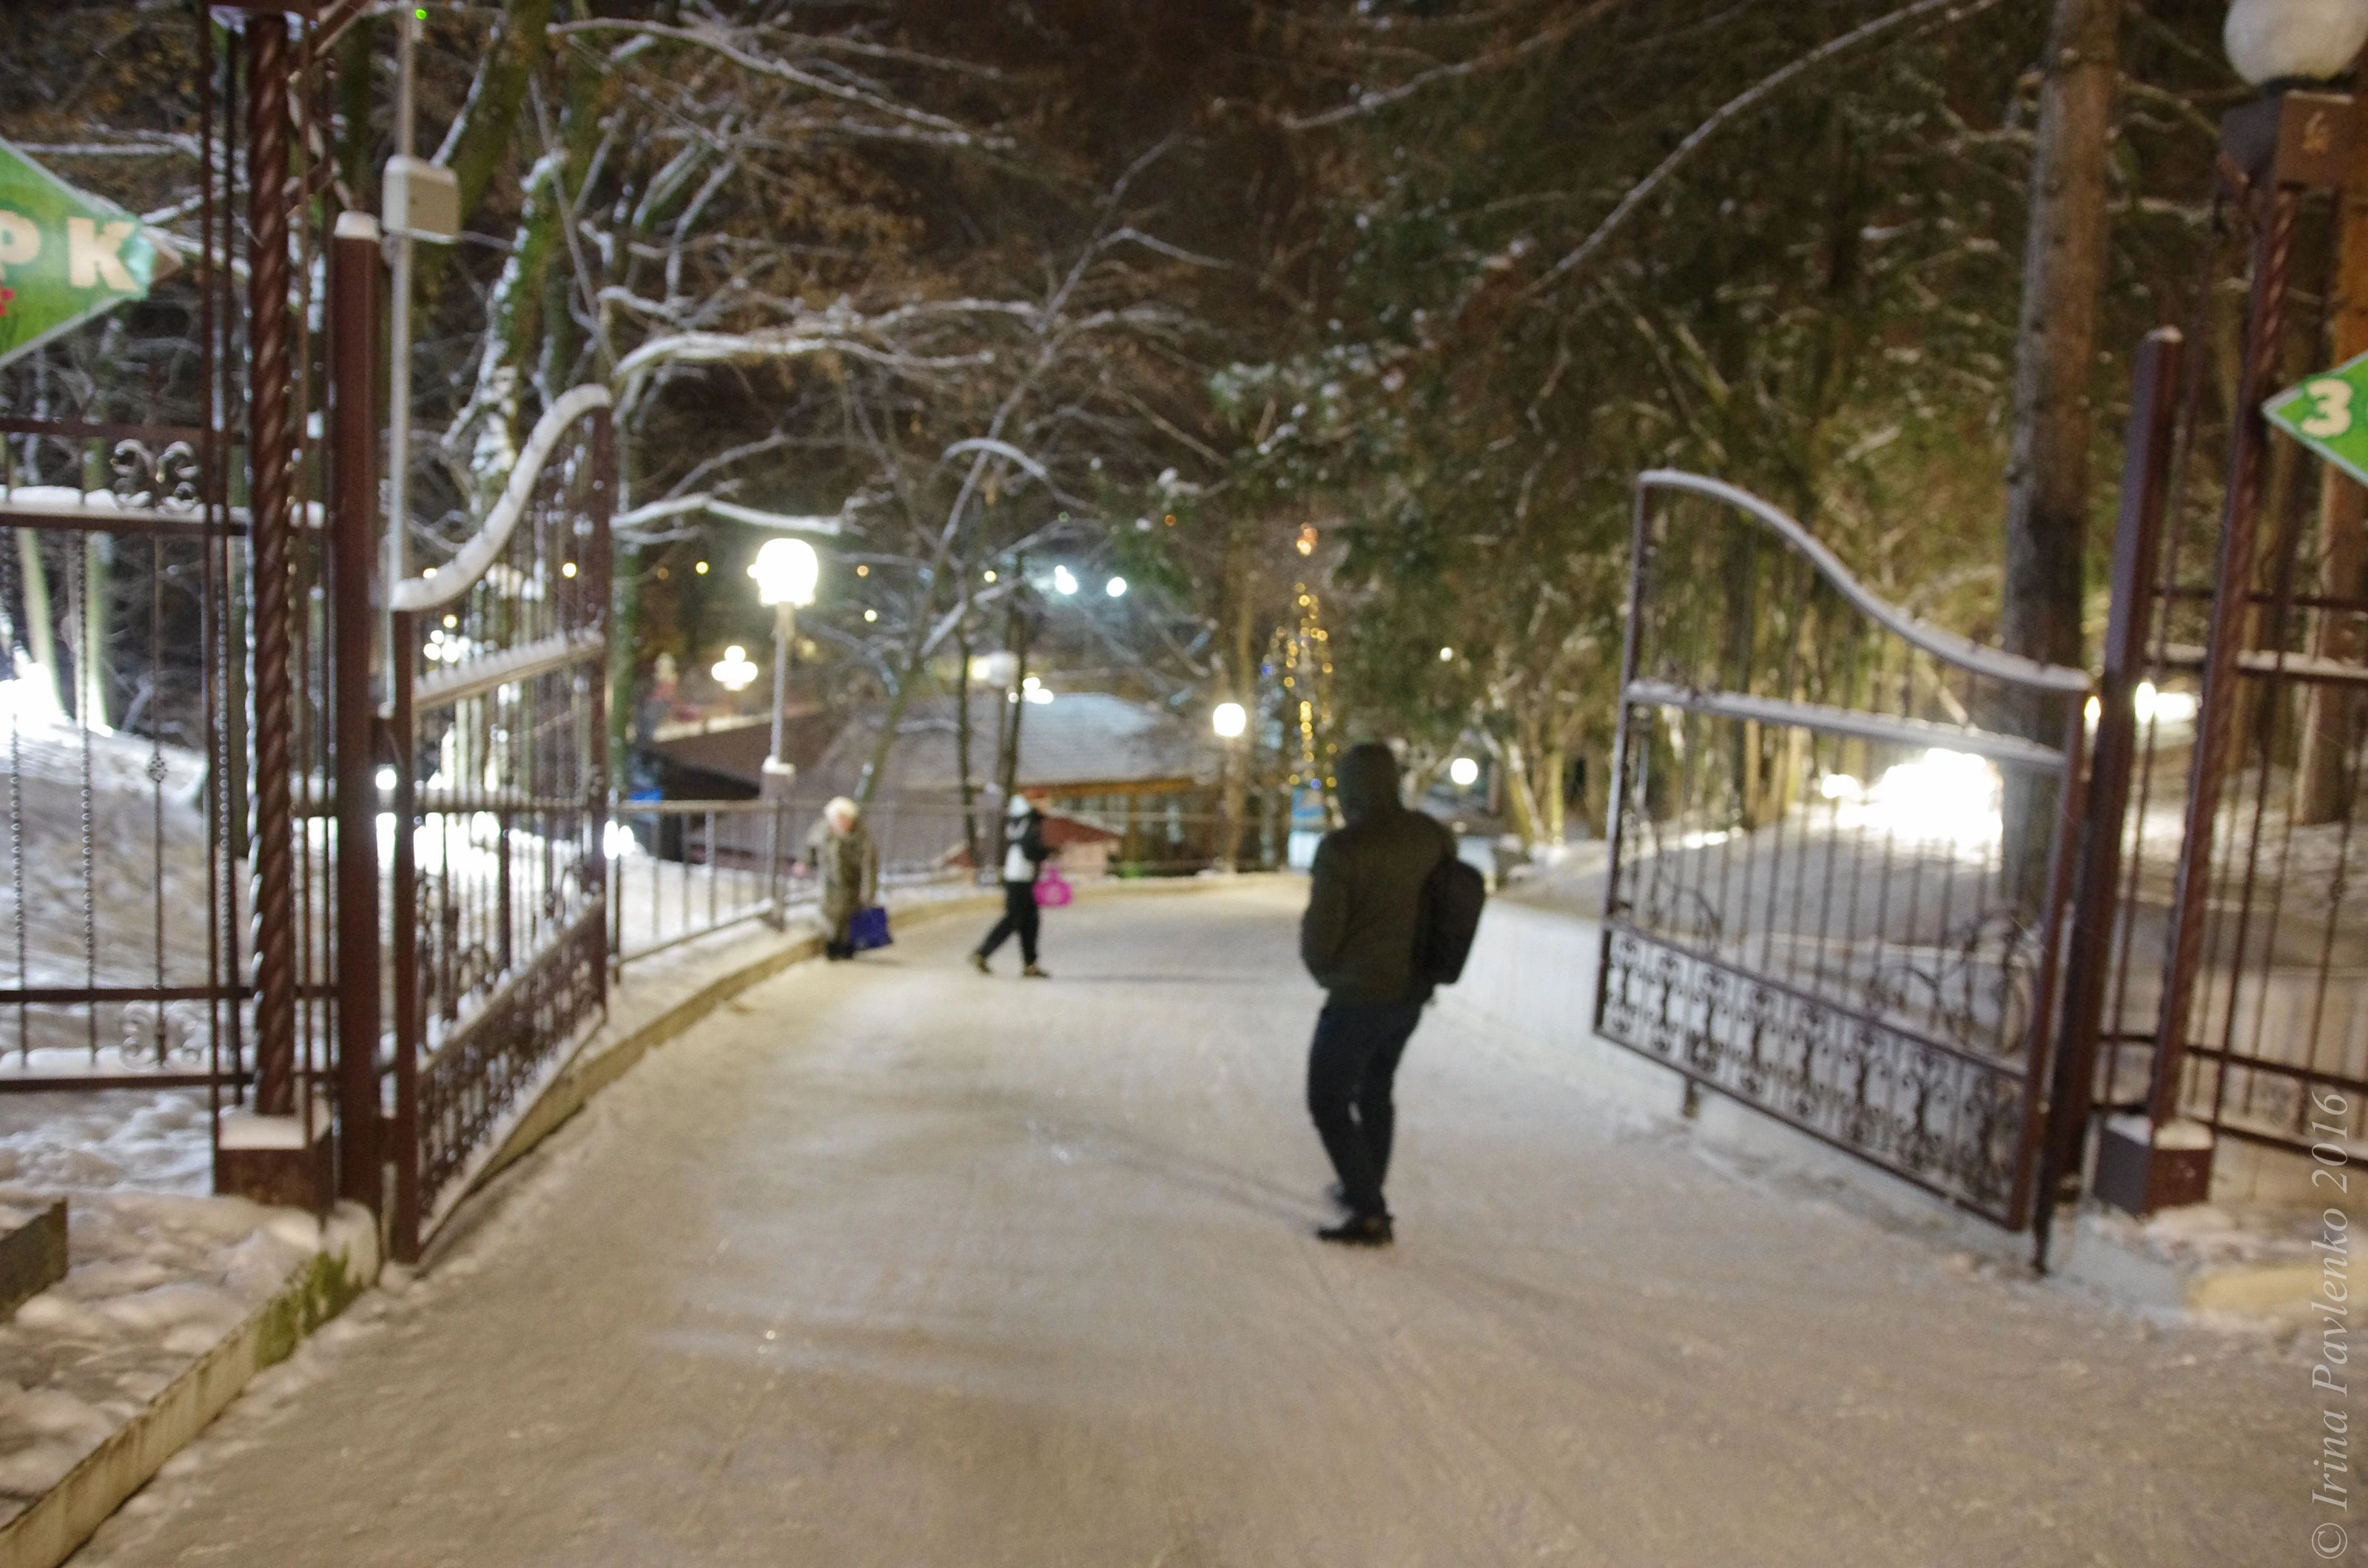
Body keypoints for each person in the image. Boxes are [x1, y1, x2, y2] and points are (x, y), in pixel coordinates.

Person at [1299, 741, 1453, 1247]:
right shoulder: (1431, 835)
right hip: (1409, 994)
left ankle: (1369, 1210)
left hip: (1358, 997)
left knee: (1327, 1098)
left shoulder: (1344, 848)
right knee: (1376, 1088)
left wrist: (1328, 974)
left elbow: (1321, 934)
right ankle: (1364, 1184)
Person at [970, 793, 1052, 978]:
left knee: (1029, 920)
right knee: (1013, 919)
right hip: (1019, 876)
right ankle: (982, 952)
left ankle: (1030, 963)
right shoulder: (1028, 821)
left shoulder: (1018, 820)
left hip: (1017, 875)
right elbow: (1030, 849)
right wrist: (1046, 853)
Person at [805, 796, 878, 960]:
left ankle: (846, 946)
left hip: (852, 881)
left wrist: (869, 892)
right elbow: (810, 847)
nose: (841, 823)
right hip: (828, 879)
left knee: (849, 913)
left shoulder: (861, 836)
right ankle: (831, 944)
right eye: (837, 819)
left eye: (844, 819)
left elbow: (869, 866)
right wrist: (806, 863)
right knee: (828, 911)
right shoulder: (822, 830)